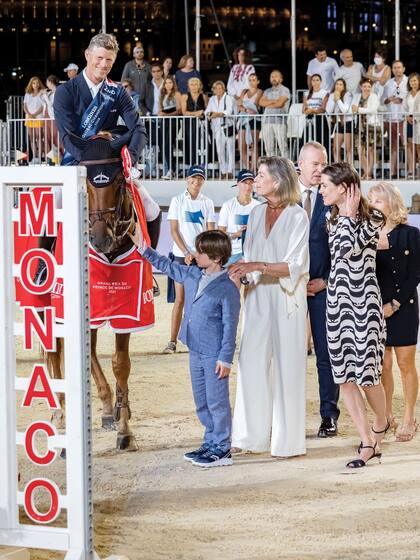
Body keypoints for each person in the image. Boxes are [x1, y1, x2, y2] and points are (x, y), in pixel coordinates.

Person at [131, 225, 240, 467]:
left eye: (201, 252)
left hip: (214, 355)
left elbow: (230, 326)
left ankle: (222, 448)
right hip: (195, 349)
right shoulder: (191, 275)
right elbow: (166, 265)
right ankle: (210, 441)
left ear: (216, 258)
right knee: (201, 399)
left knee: (216, 401)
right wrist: (142, 248)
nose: (194, 255)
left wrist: (226, 358)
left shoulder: (228, 289)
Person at [229, 156, 309, 457]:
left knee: (288, 368)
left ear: (277, 181)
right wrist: (242, 275)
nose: (256, 180)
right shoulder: (255, 212)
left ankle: (287, 442)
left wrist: (255, 265)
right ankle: (250, 437)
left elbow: (295, 265)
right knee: (249, 362)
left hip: (287, 298)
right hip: (257, 297)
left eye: (261, 175)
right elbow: (251, 258)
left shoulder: (297, 216)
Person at [320, 162, 388, 469]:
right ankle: (366, 443)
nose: (321, 190)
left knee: (368, 375)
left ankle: (381, 421)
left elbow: (348, 248)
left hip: (364, 305)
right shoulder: (331, 218)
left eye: (326, 185)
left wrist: (349, 218)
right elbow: (341, 251)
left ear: (344, 189)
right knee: (344, 377)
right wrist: (345, 218)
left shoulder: (374, 217)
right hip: (338, 303)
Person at [368, 182, 420, 442]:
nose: (372, 205)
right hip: (376, 307)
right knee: (382, 365)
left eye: (378, 201)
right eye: (371, 201)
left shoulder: (410, 233)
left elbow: (415, 275)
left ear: (391, 203)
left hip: (404, 306)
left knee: (404, 364)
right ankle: (387, 415)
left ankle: (410, 416)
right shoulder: (367, 234)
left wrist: (395, 304)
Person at [54, 33, 147, 166]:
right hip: (78, 162)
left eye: (109, 60)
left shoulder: (118, 92)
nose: (104, 64)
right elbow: (67, 137)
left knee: (139, 188)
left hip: (111, 163)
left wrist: (130, 159)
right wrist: (94, 160)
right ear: (87, 55)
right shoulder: (65, 91)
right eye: (99, 58)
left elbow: (139, 130)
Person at [298, 142, 340, 437]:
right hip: (287, 288)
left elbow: (342, 250)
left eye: (324, 164)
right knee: (287, 353)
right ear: (299, 164)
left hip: (323, 288)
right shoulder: (284, 197)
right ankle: (286, 414)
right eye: (315, 164)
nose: (320, 170)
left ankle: (329, 415)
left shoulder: (331, 201)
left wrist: (325, 280)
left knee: (326, 354)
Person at [164, 164, 216, 354]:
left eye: (199, 178)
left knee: (200, 300)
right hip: (180, 256)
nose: (196, 182)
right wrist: (187, 251)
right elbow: (174, 230)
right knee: (180, 299)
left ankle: (199, 340)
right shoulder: (177, 201)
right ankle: (172, 341)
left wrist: (201, 253)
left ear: (203, 181)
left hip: (201, 257)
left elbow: (210, 231)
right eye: (193, 178)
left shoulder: (207, 202)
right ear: (187, 180)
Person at [218, 169, 260, 264]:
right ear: (238, 184)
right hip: (232, 254)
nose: (248, 186)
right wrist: (236, 234)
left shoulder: (259, 206)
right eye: (245, 182)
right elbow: (220, 234)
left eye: (251, 183)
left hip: (253, 254)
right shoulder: (228, 205)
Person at [382, 60, 408, 179]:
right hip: (391, 118)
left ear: (403, 68)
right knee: (393, 146)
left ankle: (410, 171)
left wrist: (402, 100)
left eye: (399, 67)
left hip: (404, 118)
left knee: (407, 145)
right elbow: (383, 100)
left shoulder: (408, 81)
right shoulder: (388, 83)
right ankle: (393, 172)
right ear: (392, 70)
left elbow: (411, 96)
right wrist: (389, 99)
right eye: (395, 68)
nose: (397, 70)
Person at [352, 78, 381, 180]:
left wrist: (359, 109)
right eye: (364, 86)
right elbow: (352, 109)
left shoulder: (374, 96)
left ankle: (368, 174)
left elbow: (372, 110)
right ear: (361, 87)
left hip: (372, 125)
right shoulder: (357, 96)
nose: (366, 88)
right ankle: (367, 171)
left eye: (368, 86)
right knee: (360, 150)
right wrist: (357, 110)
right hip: (360, 126)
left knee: (370, 150)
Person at [205, 81, 235, 179]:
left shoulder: (228, 98)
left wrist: (215, 114)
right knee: (220, 150)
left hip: (227, 126)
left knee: (230, 150)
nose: (218, 90)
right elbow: (207, 112)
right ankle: (223, 171)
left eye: (220, 88)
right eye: (216, 88)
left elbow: (228, 111)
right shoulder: (212, 99)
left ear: (223, 89)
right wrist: (212, 114)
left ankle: (230, 171)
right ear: (213, 90)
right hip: (216, 127)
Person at [139, 63, 164, 177]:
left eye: (158, 71)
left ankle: (166, 169)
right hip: (151, 118)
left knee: (165, 144)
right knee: (151, 145)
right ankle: (151, 169)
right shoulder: (147, 85)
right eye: (153, 71)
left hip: (165, 117)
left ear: (161, 72)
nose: (156, 73)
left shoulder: (167, 84)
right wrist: (147, 113)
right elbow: (141, 102)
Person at [259, 70, 291, 158]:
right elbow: (261, 102)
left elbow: (280, 104)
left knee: (283, 147)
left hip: (279, 121)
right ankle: (270, 169)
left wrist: (268, 103)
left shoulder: (285, 90)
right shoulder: (267, 91)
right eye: (272, 76)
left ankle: (286, 168)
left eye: (276, 76)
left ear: (281, 79)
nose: (274, 78)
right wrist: (274, 101)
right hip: (267, 121)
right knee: (269, 148)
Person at [236, 73, 263, 172]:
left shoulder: (260, 91)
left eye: (254, 80)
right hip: (243, 119)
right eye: (250, 80)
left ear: (258, 81)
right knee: (241, 145)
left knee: (254, 144)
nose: (252, 82)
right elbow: (239, 104)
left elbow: (255, 104)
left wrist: (244, 107)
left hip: (254, 119)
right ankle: (248, 167)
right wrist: (246, 110)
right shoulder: (244, 91)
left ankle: (254, 168)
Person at [158, 75, 182, 179]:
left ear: (173, 84)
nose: (168, 85)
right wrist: (161, 114)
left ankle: (172, 170)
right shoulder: (162, 95)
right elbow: (160, 109)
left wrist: (167, 115)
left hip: (174, 121)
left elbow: (179, 110)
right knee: (164, 145)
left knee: (169, 143)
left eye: (170, 83)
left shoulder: (177, 94)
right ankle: (170, 169)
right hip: (164, 121)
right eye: (166, 83)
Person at [180, 77, 208, 166]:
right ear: (188, 86)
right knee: (190, 142)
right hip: (189, 124)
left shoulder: (204, 96)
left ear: (199, 86)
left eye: (196, 84)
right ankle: (191, 165)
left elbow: (206, 111)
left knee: (202, 143)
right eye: (192, 84)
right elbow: (184, 112)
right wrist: (196, 113)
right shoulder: (184, 96)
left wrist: (201, 114)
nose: (194, 86)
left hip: (202, 124)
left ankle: (202, 164)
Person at [326, 78, 353, 163]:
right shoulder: (332, 95)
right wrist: (334, 100)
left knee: (348, 149)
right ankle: (338, 169)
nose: (338, 86)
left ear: (344, 87)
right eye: (337, 84)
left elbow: (345, 110)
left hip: (347, 122)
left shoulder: (347, 94)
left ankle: (350, 170)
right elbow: (329, 111)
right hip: (338, 123)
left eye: (340, 84)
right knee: (335, 148)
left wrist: (338, 99)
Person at [302, 73, 329, 150]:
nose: (315, 82)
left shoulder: (324, 93)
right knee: (307, 140)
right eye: (313, 80)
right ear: (311, 82)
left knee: (321, 141)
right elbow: (304, 109)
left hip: (320, 119)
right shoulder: (306, 93)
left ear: (320, 81)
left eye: (317, 80)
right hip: (309, 119)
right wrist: (308, 111)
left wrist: (313, 111)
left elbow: (323, 108)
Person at [23, 76, 46, 163]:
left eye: (37, 83)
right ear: (31, 84)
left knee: (38, 137)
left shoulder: (41, 93)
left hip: (38, 117)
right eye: (33, 83)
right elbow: (25, 106)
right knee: (32, 137)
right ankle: (35, 157)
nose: (35, 85)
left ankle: (40, 156)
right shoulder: (27, 94)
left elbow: (43, 106)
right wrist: (29, 114)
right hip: (29, 118)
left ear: (39, 84)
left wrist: (35, 114)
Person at [403, 72, 420, 179]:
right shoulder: (407, 95)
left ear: (418, 81)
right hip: (409, 122)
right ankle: (411, 170)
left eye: (415, 80)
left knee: (419, 147)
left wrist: (415, 118)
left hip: (418, 122)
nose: (413, 82)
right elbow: (404, 108)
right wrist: (407, 117)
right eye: (411, 81)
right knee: (410, 146)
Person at [41, 75, 60, 164]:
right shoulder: (49, 93)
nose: (46, 84)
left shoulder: (57, 92)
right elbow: (44, 104)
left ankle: (59, 157)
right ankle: (51, 158)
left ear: (51, 82)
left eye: (47, 82)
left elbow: (51, 105)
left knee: (56, 137)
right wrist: (42, 96)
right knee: (48, 138)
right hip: (46, 117)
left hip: (53, 117)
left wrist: (45, 96)